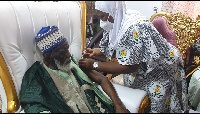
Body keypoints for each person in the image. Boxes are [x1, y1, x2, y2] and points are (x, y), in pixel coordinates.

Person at [78, 1, 188, 113]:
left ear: (112, 12)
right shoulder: (116, 21)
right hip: (143, 63)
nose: (102, 21)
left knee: (160, 100)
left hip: (161, 66)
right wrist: (97, 52)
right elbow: (121, 47)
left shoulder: (133, 28)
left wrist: (94, 65)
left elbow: (129, 67)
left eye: (102, 16)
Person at [19, 25, 130, 113]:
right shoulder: (38, 75)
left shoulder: (73, 64)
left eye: (67, 49)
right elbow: (32, 104)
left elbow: (103, 79)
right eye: (63, 52)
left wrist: (119, 106)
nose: (69, 55)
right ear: (48, 56)